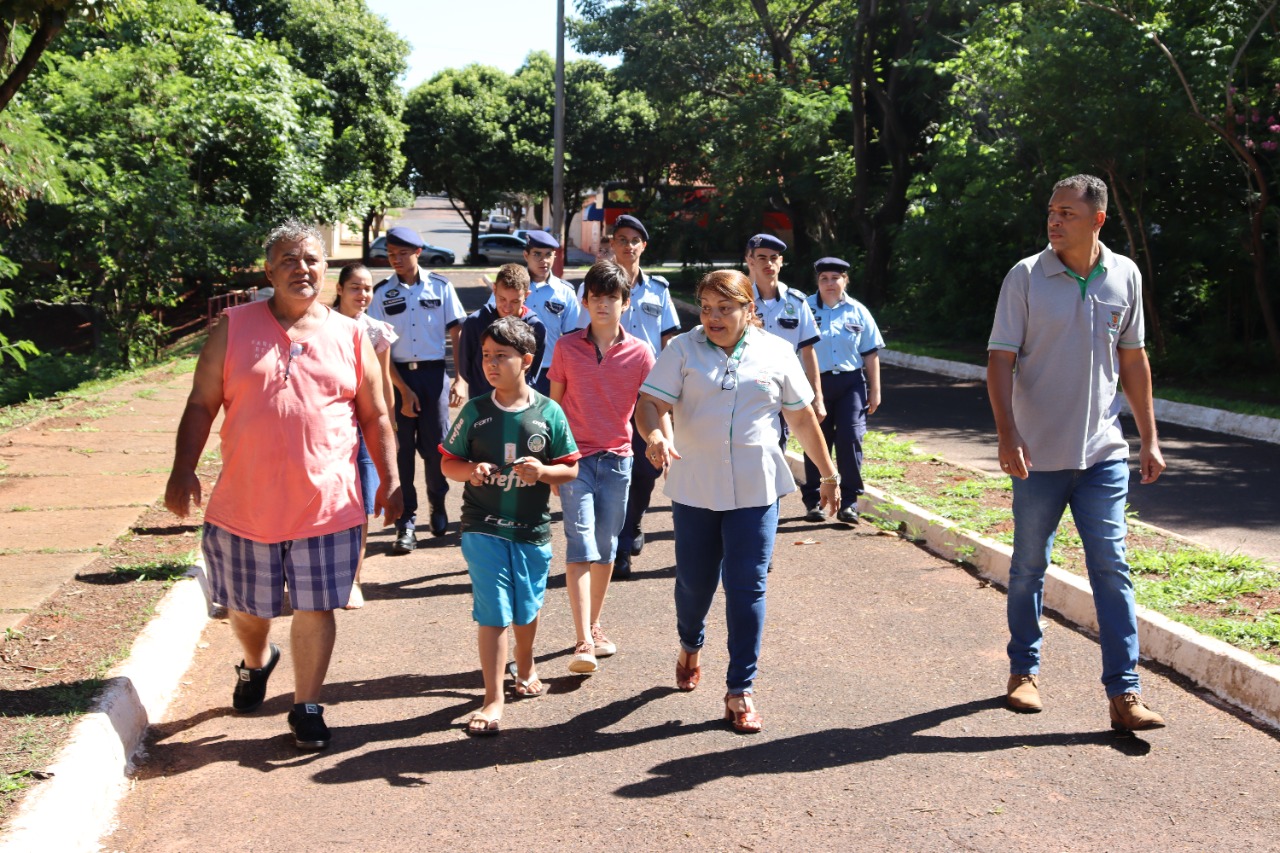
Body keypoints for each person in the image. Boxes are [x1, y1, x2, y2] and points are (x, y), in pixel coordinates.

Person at [164, 221, 401, 750]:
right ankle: (257, 660)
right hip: (247, 503)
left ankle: (307, 705)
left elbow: (376, 414)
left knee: (316, 606)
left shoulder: (349, 334)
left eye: (312, 259)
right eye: (289, 260)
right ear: (269, 270)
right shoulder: (233, 327)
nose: (302, 268)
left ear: (325, 270)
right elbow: (201, 403)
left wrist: (391, 477)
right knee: (249, 611)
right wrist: (182, 468)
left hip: (329, 501)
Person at [987, 174, 1167, 732]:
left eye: (1067, 211)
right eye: (1051, 211)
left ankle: (1125, 693)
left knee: (1111, 568)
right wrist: (1007, 433)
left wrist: (1149, 436)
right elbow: (999, 360)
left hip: (1102, 453)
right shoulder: (1025, 276)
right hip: (1037, 456)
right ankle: (1023, 672)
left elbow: (1133, 361)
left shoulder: (1125, 275)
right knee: (1028, 566)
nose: (1055, 219)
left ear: (1097, 219)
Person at [636, 269, 840, 734]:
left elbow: (804, 419)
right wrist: (652, 435)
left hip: (756, 490)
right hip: (695, 489)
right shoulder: (682, 349)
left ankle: (739, 690)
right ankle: (690, 643)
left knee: (747, 586)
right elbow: (648, 403)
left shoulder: (777, 352)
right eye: (706, 308)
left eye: (724, 308)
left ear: (750, 310)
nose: (713, 318)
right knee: (694, 585)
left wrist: (828, 474)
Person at [440, 316, 580, 735]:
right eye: (486, 356)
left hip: (531, 530)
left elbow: (571, 470)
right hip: (482, 525)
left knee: (526, 607)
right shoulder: (476, 410)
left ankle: (526, 662)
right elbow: (449, 461)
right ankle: (492, 697)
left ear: (527, 360)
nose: (491, 364)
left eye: (502, 356)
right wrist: (472, 470)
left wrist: (544, 472)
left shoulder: (548, 412)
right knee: (495, 610)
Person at [548, 260, 655, 674]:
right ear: (585, 301)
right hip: (575, 462)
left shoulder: (641, 353)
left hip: (619, 461)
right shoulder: (566, 347)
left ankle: (594, 623)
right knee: (580, 546)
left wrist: (662, 438)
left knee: (609, 548)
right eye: (595, 297)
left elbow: (652, 405)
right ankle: (583, 641)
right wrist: (554, 461)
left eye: (611, 297)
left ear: (625, 303)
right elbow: (554, 409)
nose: (603, 304)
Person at [366, 225, 466, 552]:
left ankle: (437, 502)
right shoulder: (381, 293)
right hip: (396, 379)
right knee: (401, 454)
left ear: (417, 252)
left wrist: (460, 378)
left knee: (437, 450)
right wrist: (402, 390)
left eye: (402, 253)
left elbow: (457, 334)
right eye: (391, 254)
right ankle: (405, 524)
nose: (395, 259)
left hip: (433, 375)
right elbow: (377, 347)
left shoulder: (440, 286)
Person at [607, 214, 681, 579]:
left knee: (648, 466)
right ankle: (619, 547)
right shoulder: (597, 286)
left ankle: (633, 521)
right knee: (614, 467)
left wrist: (675, 389)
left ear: (643, 246)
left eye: (635, 240)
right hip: (609, 390)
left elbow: (669, 342)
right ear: (612, 244)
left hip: (650, 392)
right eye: (622, 239)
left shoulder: (659, 290)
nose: (628, 245)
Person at [333, 263, 398, 609]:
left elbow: (384, 384)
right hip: (329, 428)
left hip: (365, 426)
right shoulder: (321, 326)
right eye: (355, 287)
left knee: (359, 505)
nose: (363, 295)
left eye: (368, 288)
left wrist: (391, 430)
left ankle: (353, 580)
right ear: (340, 289)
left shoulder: (376, 331)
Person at [800, 257, 884, 524]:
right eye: (824, 278)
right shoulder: (805, 309)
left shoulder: (858, 311)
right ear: (817, 282)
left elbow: (870, 354)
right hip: (814, 384)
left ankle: (849, 502)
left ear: (845, 280)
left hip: (851, 384)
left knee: (850, 438)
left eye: (835, 278)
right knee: (817, 440)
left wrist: (875, 390)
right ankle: (814, 502)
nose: (829, 283)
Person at [742, 234, 826, 430]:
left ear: (781, 262)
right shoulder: (741, 302)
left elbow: (808, 351)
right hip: (749, 387)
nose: (768, 263)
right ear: (751, 261)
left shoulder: (796, 302)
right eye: (762, 258)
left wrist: (817, 396)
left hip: (785, 389)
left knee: (779, 444)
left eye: (773, 258)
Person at [455, 263, 547, 399]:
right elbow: (465, 368)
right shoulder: (475, 323)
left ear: (526, 295)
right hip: (483, 401)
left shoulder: (536, 328)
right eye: (502, 299)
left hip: (520, 405)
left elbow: (532, 371)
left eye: (515, 301)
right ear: (494, 289)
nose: (507, 307)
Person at [521, 230, 586, 393]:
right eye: (537, 254)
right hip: (515, 369)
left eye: (548, 255)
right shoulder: (511, 286)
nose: (543, 260)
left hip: (550, 372)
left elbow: (574, 338)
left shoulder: (565, 292)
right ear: (525, 255)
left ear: (555, 256)